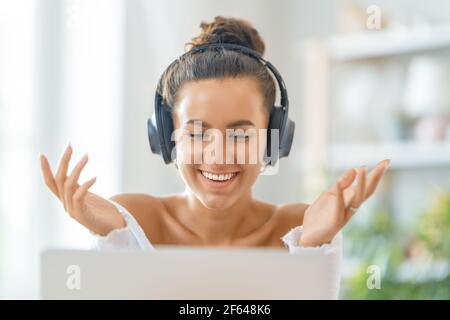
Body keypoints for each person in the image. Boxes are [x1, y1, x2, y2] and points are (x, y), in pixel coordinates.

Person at [39, 16, 390, 296]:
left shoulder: (299, 227)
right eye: (195, 132)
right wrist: (113, 241)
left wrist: (315, 248)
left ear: (273, 140)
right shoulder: (133, 221)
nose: (218, 153)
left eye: (240, 133)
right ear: (166, 137)